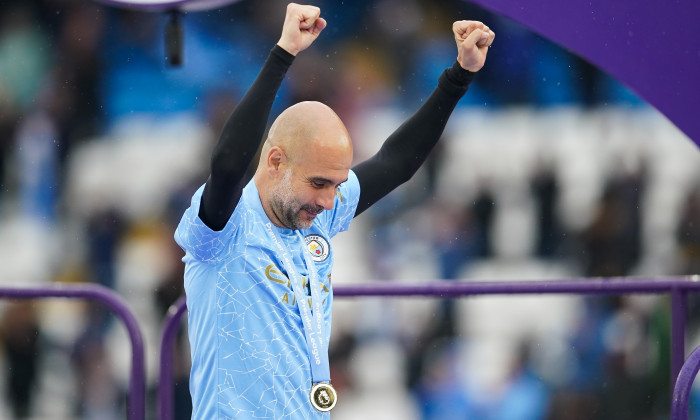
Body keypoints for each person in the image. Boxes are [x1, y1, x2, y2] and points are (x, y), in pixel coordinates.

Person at [174, 3, 494, 419]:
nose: (330, 201)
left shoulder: (317, 213)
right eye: (319, 183)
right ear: (274, 162)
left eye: (336, 185)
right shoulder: (223, 226)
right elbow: (229, 163)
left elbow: (395, 163)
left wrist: (459, 76)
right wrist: (283, 53)